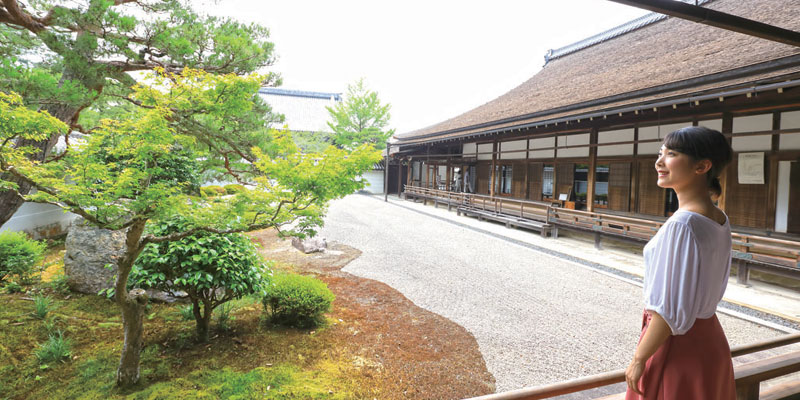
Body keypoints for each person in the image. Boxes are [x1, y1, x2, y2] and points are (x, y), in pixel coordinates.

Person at [625, 126, 735, 399]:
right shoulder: (718, 218)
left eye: (671, 154)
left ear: (702, 166)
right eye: (660, 153)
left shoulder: (683, 224)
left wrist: (639, 358)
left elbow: (667, 310)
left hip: (677, 347)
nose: (659, 162)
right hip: (710, 341)